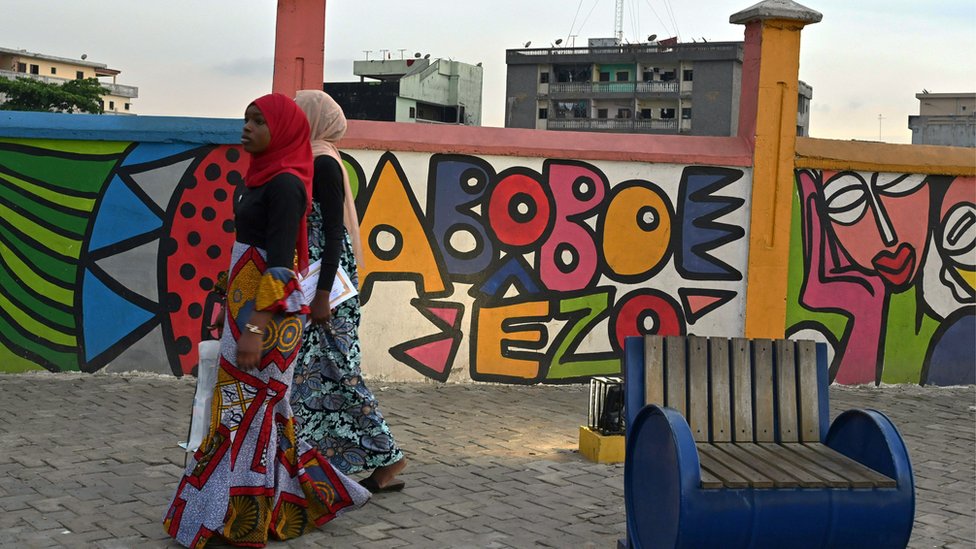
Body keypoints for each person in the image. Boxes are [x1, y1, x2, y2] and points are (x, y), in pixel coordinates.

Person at [163, 93, 369, 548]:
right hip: (248, 307)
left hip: (268, 317)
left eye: (259, 122)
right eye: (246, 119)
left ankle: (237, 520)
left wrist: (255, 327)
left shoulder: (287, 185)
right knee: (258, 413)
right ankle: (283, 505)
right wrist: (230, 284)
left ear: (285, 130)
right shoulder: (260, 179)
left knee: (248, 412)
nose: (247, 128)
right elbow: (250, 249)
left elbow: (281, 263)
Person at [290, 89, 407, 493]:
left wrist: (322, 293)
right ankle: (308, 464)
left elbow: (333, 232)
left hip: (328, 289)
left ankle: (390, 458)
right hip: (317, 283)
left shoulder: (321, 161)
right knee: (311, 378)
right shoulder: (313, 156)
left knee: (339, 371)